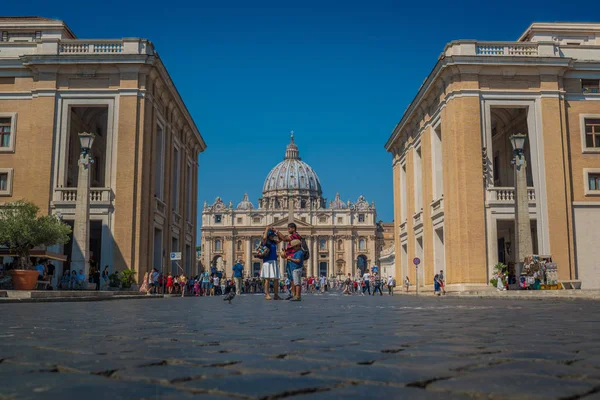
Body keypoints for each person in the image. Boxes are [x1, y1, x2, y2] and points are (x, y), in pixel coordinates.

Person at [275, 223, 302, 299]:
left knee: (293, 277)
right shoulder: (294, 235)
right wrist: (286, 251)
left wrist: (276, 231)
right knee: (291, 277)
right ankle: (293, 293)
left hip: (292, 258)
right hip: (290, 257)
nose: (288, 230)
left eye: (289, 229)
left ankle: (295, 294)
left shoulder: (295, 235)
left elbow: (284, 238)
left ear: (293, 228)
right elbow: (283, 238)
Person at [260, 227, 282, 300]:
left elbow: (281, 239)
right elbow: (264, 237)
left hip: (274, 261)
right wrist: (266, 229)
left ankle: (276, 295)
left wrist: (276, 231)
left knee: (276, 279)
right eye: (271, 236)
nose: (273, 237)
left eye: (273, 236)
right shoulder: (265, 242)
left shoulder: (274, 242)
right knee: (267, 279)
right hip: (267, 262)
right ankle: (267, 294)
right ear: (269, 236)